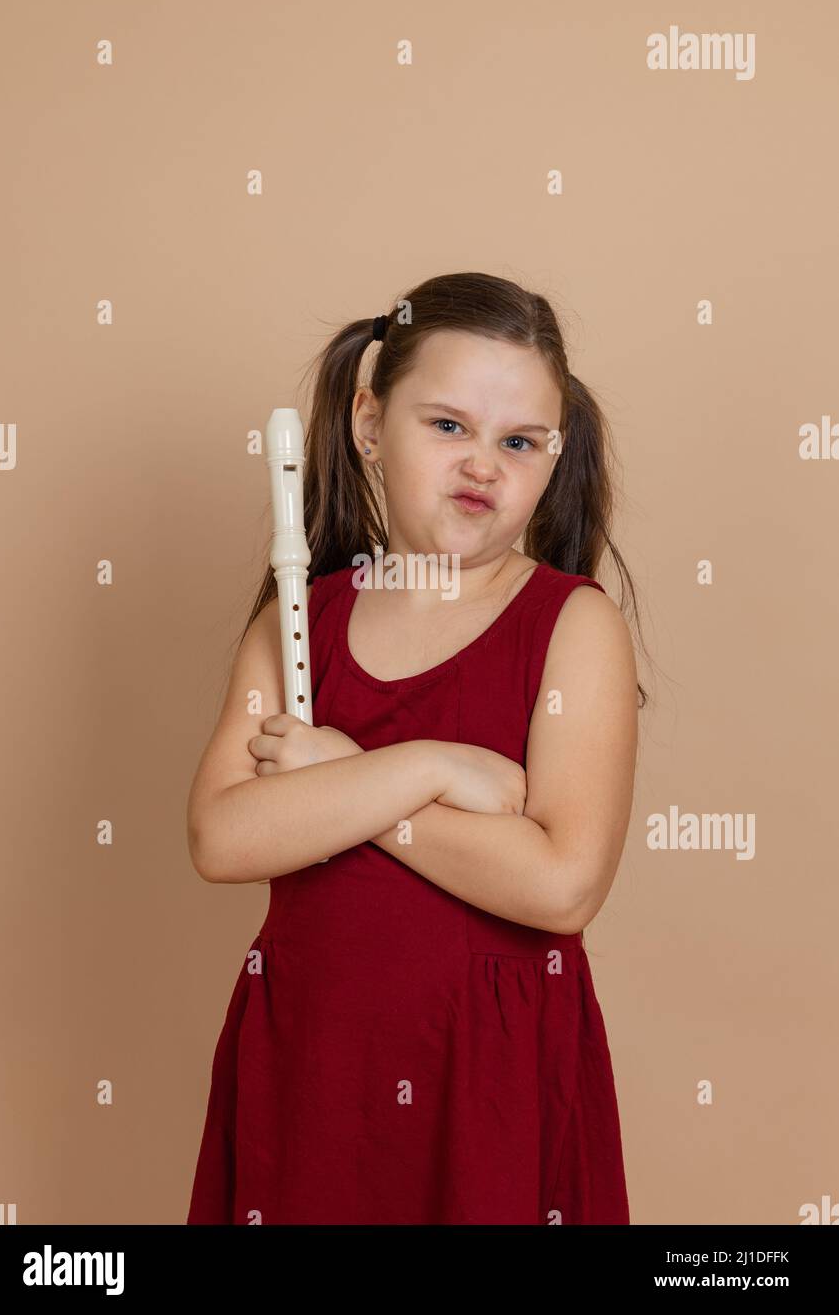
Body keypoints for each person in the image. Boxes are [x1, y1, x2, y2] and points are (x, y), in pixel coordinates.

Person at [186, 270, 644, 1225]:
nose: (483, 464)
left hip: (492, 1081)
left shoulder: (572, 626)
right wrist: (429, 766)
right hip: (315, 1063)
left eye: (519, 442)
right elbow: (225, 838)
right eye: (448, 426)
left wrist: (342, 784)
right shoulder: (299, 622)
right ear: (367, 422)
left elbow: (560, 883)